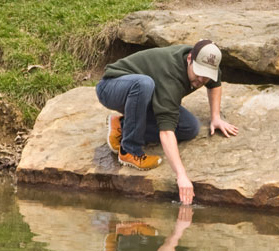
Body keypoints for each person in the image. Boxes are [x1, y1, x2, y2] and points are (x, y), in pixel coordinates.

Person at [96, 40, 238, 205]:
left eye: (206, 75)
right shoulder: (171, 77)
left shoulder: (208, 64)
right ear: (189, 58)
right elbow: (166, 132)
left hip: (144, 92)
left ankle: (122, 124)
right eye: (198, 72)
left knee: (190, 128)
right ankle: (129, 150)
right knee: (143, 84)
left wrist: (216, 117)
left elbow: (215, 83)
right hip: (113, 87)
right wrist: (181, 176)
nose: (201, 78)